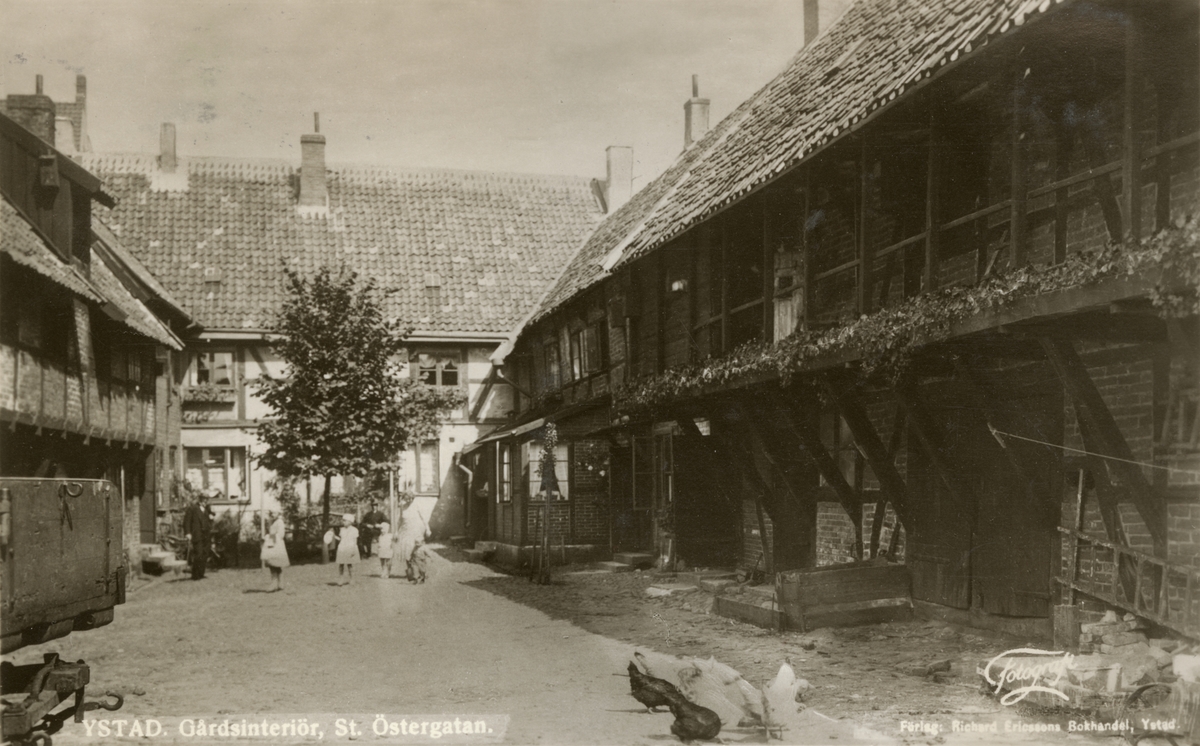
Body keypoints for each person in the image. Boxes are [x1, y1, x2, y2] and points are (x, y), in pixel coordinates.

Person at [396, 496, 430, 584]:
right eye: (406, 499)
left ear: (413, 498)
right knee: (407, 553)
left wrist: (428, 528)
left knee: (417, 553)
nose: (408, 500)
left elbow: (424, 518)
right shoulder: (402, 507)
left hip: (416, 531)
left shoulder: (417, 505)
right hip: (405, 531)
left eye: (410, 499)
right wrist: (396, 531)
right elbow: (400, 519)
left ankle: (421, 573)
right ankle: (412, 574)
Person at [182, 489, 214, 580]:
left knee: (205, 554)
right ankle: (195, 575)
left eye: (207, 499)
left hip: (206, 535)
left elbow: (209, 521)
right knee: (198, 554)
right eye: (204, 499)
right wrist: (188, 533)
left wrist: (211, 518)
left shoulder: (207, 509)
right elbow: (186, 522)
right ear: (200, 499)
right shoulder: (192, 508)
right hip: (197, 535)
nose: (205, 501)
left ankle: (201, 573)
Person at [260, 511, 290, 591]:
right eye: (271, 513)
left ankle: (278, 583)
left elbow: (280, 534)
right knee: (272, 564)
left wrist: (267, 537)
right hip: (271, 544)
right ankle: (277, 583)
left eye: (274, 513)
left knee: (275, 564)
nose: (272, 515)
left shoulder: (279, 522)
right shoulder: (272, 522)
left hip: (276, 545)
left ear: (278, 514)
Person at [335, 513, 360, 585]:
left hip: (350, 548)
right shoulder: (342, 529)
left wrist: (353, 550)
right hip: (342, 548)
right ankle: (341, 579)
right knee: (341, 564)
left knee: (349, 564)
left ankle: (352, 579)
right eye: (343, 520)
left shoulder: (354, 530)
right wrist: (334, 536)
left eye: (344, 521)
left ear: (350, 521)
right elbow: (341, 539)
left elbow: (355, 541)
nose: (343, 522)